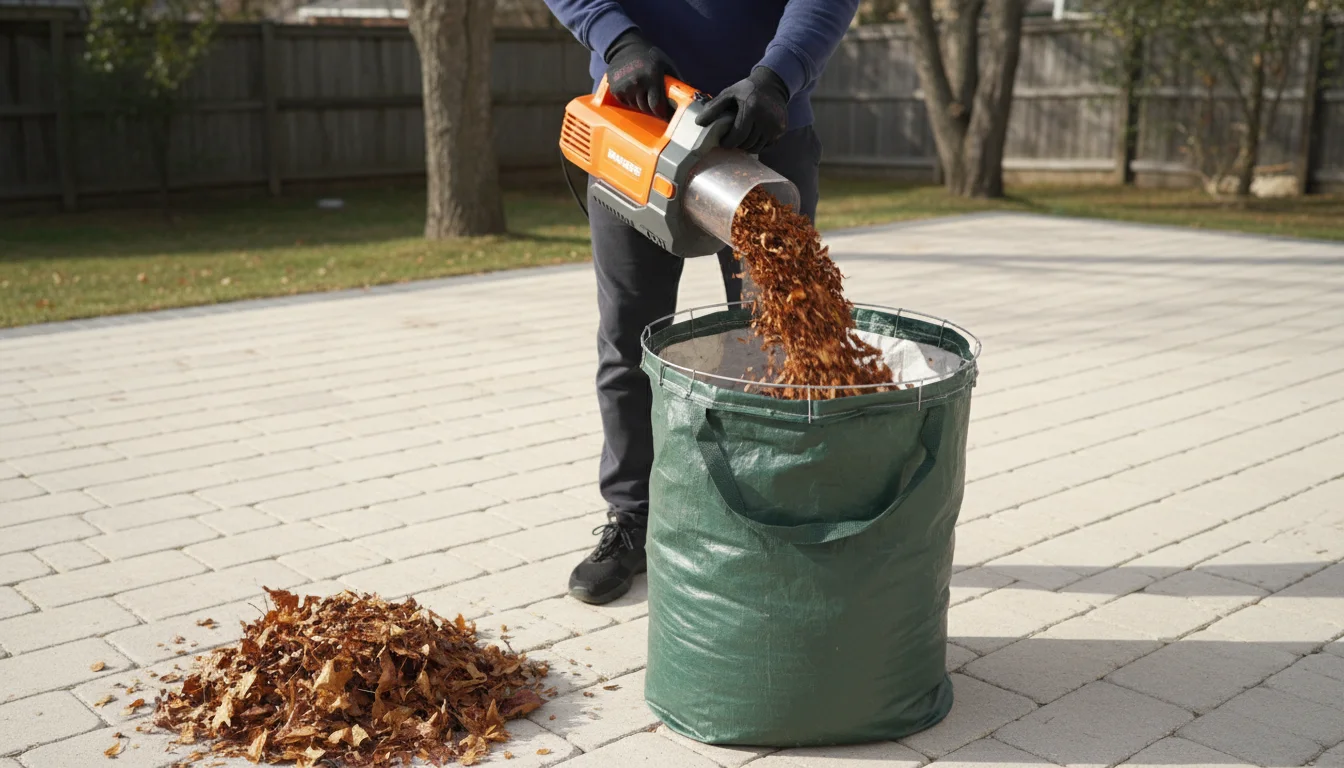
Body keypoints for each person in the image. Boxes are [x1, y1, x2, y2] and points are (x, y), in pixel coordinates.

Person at [541, 0, 861, 604]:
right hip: (638, 122)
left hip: (764, 124)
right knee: (629, 337)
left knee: (784, 338)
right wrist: (618, 41)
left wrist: (778, 75)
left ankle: (779, 521)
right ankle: (633, 520)